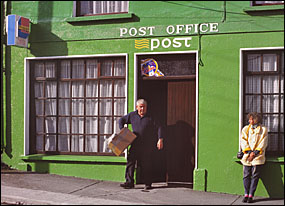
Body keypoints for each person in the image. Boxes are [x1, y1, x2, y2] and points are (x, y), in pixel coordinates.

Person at [119, 99, 164, 190]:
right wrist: (123, 132)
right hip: (135, 143)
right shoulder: (132, 115)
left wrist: (160, 139)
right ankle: (129, 182)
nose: (142, 109)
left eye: (144, 107)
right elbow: (121, 120)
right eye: (140, 107)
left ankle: (148, 183)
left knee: (146, 164)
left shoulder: (151, 117)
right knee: (130, 162)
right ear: (137, 107)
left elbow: (159, 127)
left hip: (147, 145)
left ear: (146, 108)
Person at [240, 112, 268, 203]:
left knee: (255, 176)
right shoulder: (245, 129)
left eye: (252, 119)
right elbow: (243, 140)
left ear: (257, 119)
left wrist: (255, 153)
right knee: (246, 175)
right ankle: (246, 194)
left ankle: (251, 195)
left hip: (257, 156)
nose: (250, 121)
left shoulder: (263, 129)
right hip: (247, 156)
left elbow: (263, 142)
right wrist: (248, 152)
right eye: (249, 119)